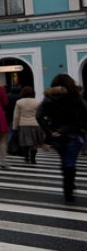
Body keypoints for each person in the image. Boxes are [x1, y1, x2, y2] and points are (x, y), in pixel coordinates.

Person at [36, 74, 87, 202]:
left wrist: (50, 131)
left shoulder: (48, 98)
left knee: (65, 160)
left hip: (56, 136)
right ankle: (68, 188)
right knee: (69, 162)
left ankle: (68, 183)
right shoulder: (76, 97)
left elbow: (39, 116)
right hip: (73, 134)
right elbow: (84, 115)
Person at [11, 86, 43, 164]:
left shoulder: (19, 102)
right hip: (35, 124)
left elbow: (16, 116)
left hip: (23, 124)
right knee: (34, 143)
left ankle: (26, 157)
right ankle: (33, 158)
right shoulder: (37, 102)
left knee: (24, 142)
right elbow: (40, 114)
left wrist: (15, 127)